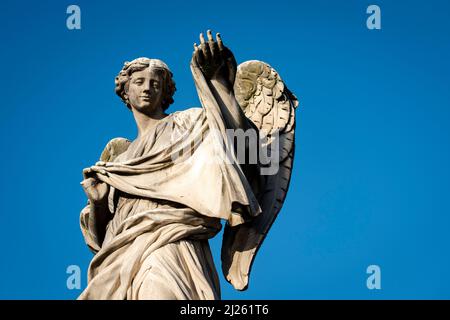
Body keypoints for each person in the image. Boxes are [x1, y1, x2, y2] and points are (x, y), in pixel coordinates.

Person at [78, 31, 261, 299]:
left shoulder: (187, 123)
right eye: (138, 81)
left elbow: (240, 145)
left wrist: (217, 83)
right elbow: (99, 240)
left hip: (170, 242)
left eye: (155, 82)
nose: (147, 87)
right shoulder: (118, 160)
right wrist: (97, 203)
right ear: (125, 91)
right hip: (119, 255)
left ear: (165, 91)